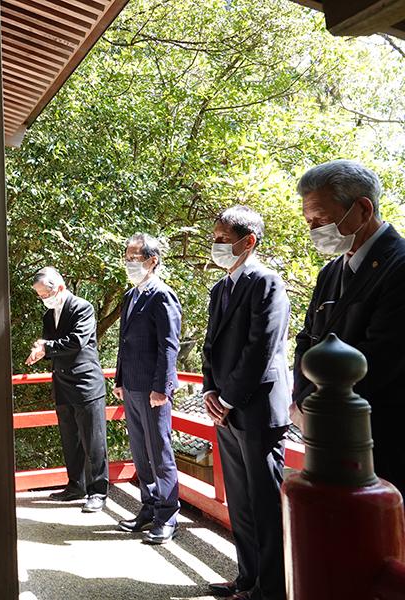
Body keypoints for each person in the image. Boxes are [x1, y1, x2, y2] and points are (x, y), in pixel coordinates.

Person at [293, 160, 405, 494]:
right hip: (326, 437)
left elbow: (383, 360)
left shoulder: (398, 267)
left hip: (380, 440)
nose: (314, 230)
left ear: (363, 208)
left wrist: (316, 407)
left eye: (322, 219)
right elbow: (306, 340)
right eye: (309, 222)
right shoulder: (330, 273)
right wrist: (301, 401)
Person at [202, 206, 290, 600]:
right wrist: (209, 390)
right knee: (240, 501)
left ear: (248, 241)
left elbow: (261, 349)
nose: (216, 245)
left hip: (257, 408)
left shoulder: (267, 283)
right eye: (216, 237)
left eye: (222, 238)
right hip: (226, 408)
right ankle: (246, 578)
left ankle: (270, 589)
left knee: (264, 505)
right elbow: (210, 346)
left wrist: (228, 397)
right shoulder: (221, 288)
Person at [113, 234, 182, 544]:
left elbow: (169, 346)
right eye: (127, 257)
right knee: (141, 451)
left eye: (135, 258)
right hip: (131, 386)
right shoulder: (131, 296)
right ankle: (148, 506)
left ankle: (167, 515)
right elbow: (124, 342)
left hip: (154, 390)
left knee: (160, 452)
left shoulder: (162, 295)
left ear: (152, 261)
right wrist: (119, 380)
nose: (129, 263)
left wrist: (162, 388)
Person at [25, 267, 109, 512]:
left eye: (45, 294)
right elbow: (49, 345)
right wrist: (39, 350)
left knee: (93, 441)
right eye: (39, 296)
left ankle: (98, 492)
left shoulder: (83, 307)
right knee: (70, 439)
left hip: (86, 384)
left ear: (59, 287)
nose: (43, 299)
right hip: (61, 384)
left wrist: (46, 347)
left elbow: (76, 341)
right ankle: (75, 485)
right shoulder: (48, 315)